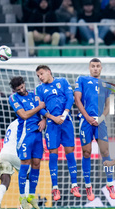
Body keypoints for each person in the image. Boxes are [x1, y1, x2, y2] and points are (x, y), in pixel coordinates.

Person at [35, 65, 80, 201]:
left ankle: (74, 185)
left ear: (49, 72)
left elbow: (70, 98)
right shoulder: (39, 89)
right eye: (38, 76)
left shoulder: (63, 81)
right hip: (51, 124)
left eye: (41, 74)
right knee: (53, 154)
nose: (40, 77)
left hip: (66, 121)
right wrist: (52, 117)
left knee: (69, 151)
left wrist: (64, 115)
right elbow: (40, 108)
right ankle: (55, 188)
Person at [74, 58, 115, 201]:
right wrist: (87, 117)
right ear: (89, 68)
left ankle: (110, 183)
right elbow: (77, 100)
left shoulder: (106, 85)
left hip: (100, 122)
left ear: (101, 68)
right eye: (93, 66)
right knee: (87, 152)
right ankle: (88, 186)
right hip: (85, 121)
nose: (95, 68)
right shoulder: (82, 80)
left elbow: (108, 106)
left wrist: (101, 118)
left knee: (105, 152)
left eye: (98, 66)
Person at [8, 76, 47, 209]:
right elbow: (23, 115)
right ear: (14, 90)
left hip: (37, 134)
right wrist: (39, 108)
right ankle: (22, 197)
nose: (21, 90)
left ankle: (31, 195)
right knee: (25, 164)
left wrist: (44, 120)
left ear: (24, 84)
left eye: (22, 87)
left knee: (37, 163)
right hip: (25, 134)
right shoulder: (13, 98)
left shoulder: (34, 95)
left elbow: (43, 111)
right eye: (18, 89)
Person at [0, 119, 21, 209]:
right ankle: (23, 206)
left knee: (5, 181)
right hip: (15, 154)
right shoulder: (24, 121)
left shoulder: (12, 123)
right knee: (29, 174)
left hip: (3, 154)